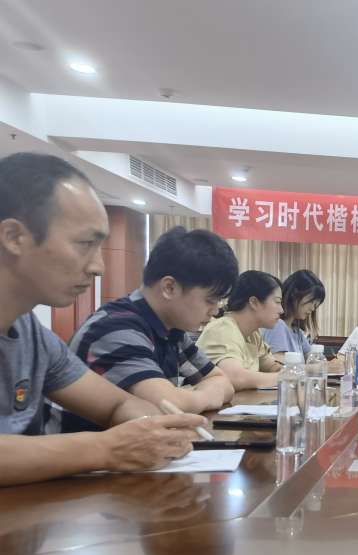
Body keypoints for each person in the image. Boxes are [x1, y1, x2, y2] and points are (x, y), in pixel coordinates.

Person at [0, 152, 204, 485]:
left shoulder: (30, 332)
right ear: (13, 237)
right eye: (85, 244)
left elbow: (116, 404)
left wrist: (156, 429)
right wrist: (105, 449)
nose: (98, 267)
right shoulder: (117, 323)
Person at [59, 226, 236, 433]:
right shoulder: (115, 328)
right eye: (210, 300)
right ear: (169, 287)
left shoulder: (172, 330)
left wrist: (194, 398)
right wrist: (205, 396)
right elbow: (167, 405)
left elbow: (222, 381)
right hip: (90, 452)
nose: (215, 311)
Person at [197, 270, 283, 391]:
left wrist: (297, 371)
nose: (281, 310)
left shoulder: (253, 334)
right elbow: (235, 378)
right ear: (254, 302)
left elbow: (271, 366)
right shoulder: (223, 328)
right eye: (277, 302)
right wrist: (285, 377)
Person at [262, 269, 325, 357]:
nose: (313, 309)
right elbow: (278, 363)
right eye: (312, 302)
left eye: (316, 306)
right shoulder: (277, 325)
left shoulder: (297, 332)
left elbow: (313, 358)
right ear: (295, 294)